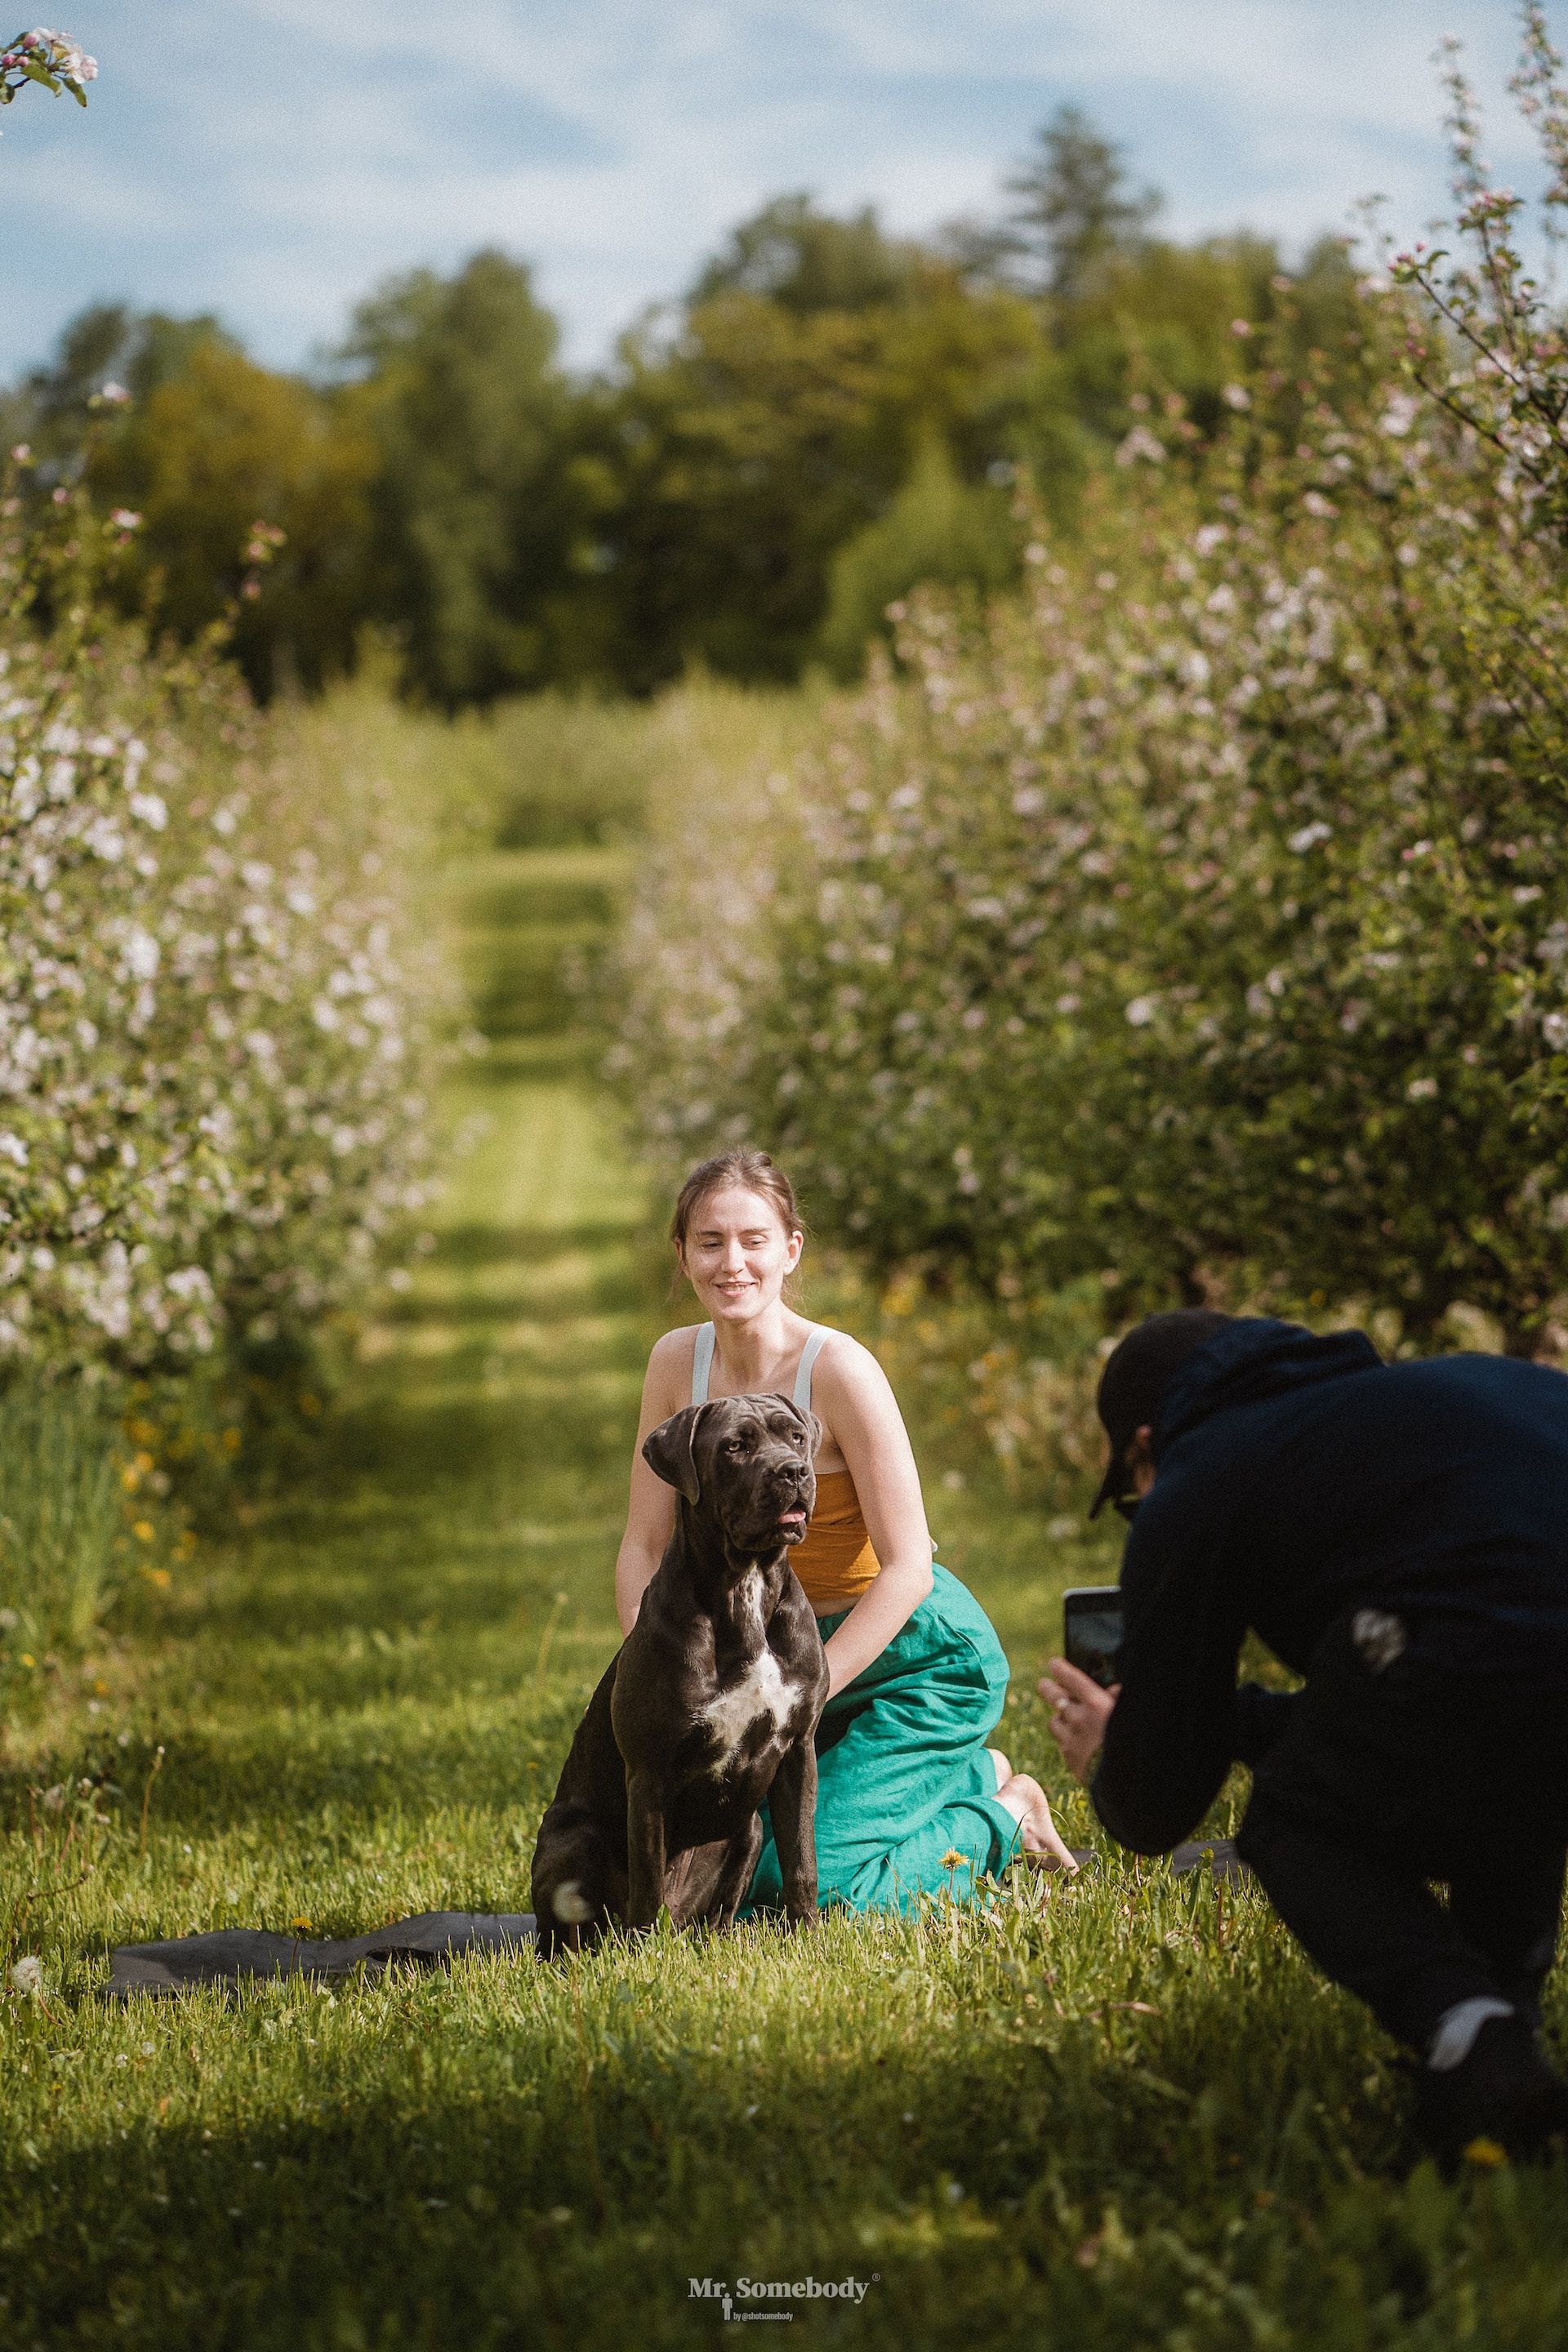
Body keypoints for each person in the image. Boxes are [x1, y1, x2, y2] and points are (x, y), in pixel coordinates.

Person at [1040, 1308, 1568, 2168]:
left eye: (1136, 1489)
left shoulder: (1204, 1473)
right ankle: (1501, 2071)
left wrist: (1115, 1753)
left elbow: (1156, 1813)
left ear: (1147, 1442)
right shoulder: (1429, 1403)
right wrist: (1237, 1720)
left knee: (1292, 1822)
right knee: (1494, 1738)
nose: (1148, 1506)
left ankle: (1469, 2033)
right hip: (1501, 1669)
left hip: (1484, 1663)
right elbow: (1406, 1714)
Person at [615, 1147, 1077, 1910]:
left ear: (790, 1250)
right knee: (729, 1860)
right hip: (770, 1656)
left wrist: (802, 1689)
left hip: (909, 1658)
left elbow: (909, 1568)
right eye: (710, 1242)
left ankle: (1001, 1811)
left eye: (754, 1240)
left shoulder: (838, 1370)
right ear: (683, 1254)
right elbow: (645, 1545)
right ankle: (964, 1776)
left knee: (810, 1890)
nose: (734, 1262)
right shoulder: (675, 1365)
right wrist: (658, 1673)